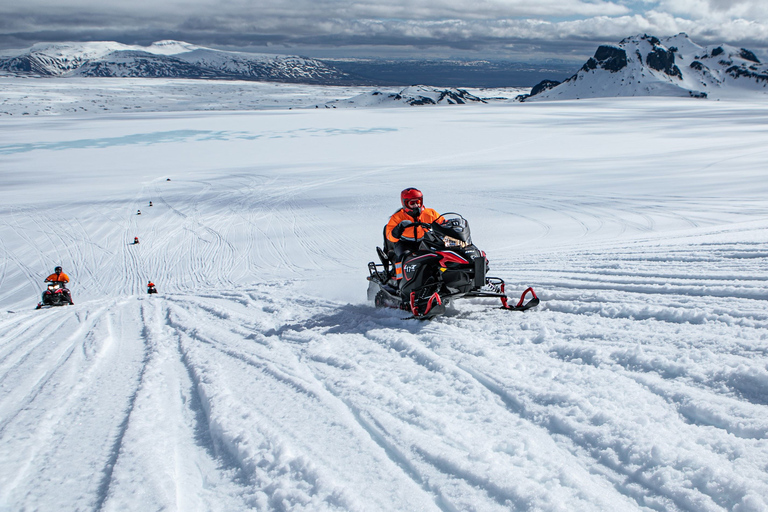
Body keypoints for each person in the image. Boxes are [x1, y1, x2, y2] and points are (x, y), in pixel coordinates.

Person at [385, 188, 444, 261]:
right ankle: (399, 271)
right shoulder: (397, 217)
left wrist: (451, 224)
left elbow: (442, 222)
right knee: (404, 258)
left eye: (418, 202)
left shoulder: (429, 213)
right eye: (412, 203)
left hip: (424, 241)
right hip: (405, 243)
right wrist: (399, 227)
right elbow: (389, 236)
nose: (416, 205)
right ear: (405, 204)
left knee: (436, 255)